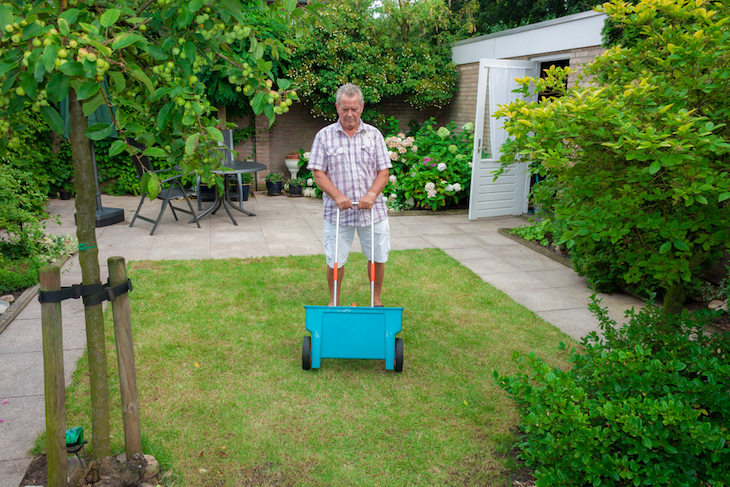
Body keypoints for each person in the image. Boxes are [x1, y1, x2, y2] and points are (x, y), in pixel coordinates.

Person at [307, 83, 392, 307]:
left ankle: (376, 300)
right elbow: (318, 173)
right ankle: (333, 303)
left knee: (377, 257)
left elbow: (384, 172)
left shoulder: (374, 135)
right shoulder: (324, 136)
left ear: (362, 107)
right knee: (335, 260)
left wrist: (372, 195)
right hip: (338, 214)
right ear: (337, 107)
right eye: (345, 109)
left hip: (372, 212)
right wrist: (337, 196)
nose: (350, 114)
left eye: (354, 108)